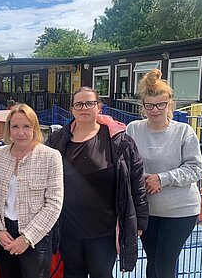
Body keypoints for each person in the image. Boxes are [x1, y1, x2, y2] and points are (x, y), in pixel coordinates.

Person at [46, 86, 149, 277]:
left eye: (90, 103)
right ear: (72, 109)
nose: (84, 108)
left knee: (101, 272)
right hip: (68, 229)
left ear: (99, 107)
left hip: (104, 231)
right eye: (79, 104)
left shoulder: (119, 141)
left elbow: (136, 181)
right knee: (72, 273)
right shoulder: (57, 140)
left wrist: (139, 222)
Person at [126, 69, 202, 278]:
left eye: (161, 104)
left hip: (180, 211)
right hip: (147, 211)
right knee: (152, 263)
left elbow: (196, 168)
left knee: (164, 264)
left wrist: (162, 178)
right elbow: (125, 162)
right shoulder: (133, 129)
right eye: (149, 105)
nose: (155, 110)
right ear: (143, 106)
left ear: (170, 104)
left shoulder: (183, 131)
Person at [0, 103, 64, 278]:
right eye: (15, 127)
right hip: (4, 234)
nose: (20, 132)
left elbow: (54, 204)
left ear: (35, 128)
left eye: (26, 126)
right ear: (9, 129)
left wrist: (27, 237)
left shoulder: (50, 157)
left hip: (36, 237)